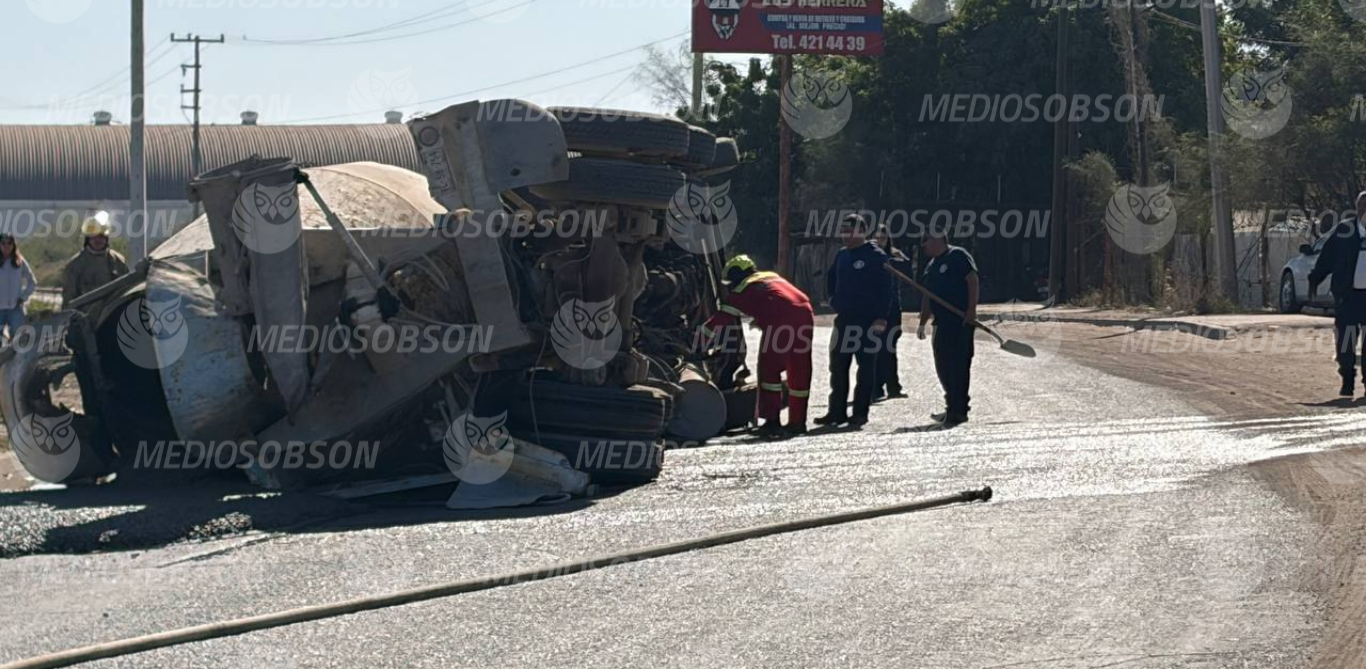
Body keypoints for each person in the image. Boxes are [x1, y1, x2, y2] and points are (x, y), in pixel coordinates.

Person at [702, 255, 815, 438]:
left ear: (736, 277)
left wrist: (697, 340)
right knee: (799, 369)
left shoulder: (740, 289)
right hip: (805, 312)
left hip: (781, 320)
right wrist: (762, 319)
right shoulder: (771, 276)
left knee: (769, 371)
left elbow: (721, 320)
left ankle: (771, 421)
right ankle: (798, 422)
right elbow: (775, 299)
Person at [815, 214, 891, 429]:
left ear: (862, 231)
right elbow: (831, 278)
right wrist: (832, 299)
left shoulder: (876, 255)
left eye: (849, 230)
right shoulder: (842, 255)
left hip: (868, 321)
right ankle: (836, 412)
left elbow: (886, 289)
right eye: (843, 231)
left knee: (865, 368)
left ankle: (859, 414)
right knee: (838, 366)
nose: (845, 235)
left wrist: (881, 318)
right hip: (844, 319)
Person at [917, 228, 979, 428]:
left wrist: (971, 310)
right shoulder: (931, 266)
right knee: (942, 365)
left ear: (937, 240)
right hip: (941, 323)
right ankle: (952, 404)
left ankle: (958, 410)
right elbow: (927, 295)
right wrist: (922, 321)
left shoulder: (958, 256)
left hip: (960, 322)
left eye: (926, 241)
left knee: (959, 366)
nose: (923, 245)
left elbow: (972, 280)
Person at [1309, 193, 1366, 396]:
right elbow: (1328, 257)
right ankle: (1347, 379)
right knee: (1345, 343)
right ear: (1357, 208)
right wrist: (1315, 277)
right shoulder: (1344, 231)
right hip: (1348, 298)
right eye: (1362, 205)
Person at [874, 224, 913, 400]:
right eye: (877, 238)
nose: (880, 241)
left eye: (883, 238)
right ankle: (876, 387)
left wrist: (892, 260)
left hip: (893, 307)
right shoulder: (870, 256)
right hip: (874, 309)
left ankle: (893, 386)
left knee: (889, 347)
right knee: (875, 348)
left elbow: (907, 268)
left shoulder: (894, 256)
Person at [62, 213, 129, 309]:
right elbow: (68, 300)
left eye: (101, 236)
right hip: (85, 319)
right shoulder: (75, 266)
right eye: (93, 237)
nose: (98, 240)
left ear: (106, 238)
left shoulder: (118, 262)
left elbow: (126, 291)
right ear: (87, 239)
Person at [0, 234, 36, 342]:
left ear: (13, 245)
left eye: (9, 243)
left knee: (19, 341)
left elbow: (32, 282)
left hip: (15, 310)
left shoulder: (19, 262)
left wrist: (23, 297)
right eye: (3, 243)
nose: (6, 246)